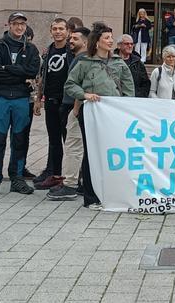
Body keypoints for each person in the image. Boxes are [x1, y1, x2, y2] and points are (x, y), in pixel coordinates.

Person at [63, 22, 136, 210]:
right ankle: (91, 197)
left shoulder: (119, 64)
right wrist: (84, 95)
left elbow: (129, 91)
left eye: (111, 38)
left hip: (114, 117)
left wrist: (125, 110)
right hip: (91, 115)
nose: (111, 41)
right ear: (97, 42)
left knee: (112, 154)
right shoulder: (84, 63)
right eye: (107, 38)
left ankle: (114, 192)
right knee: (91, 155)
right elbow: (70, 85)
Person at [0, 12, 41, 197]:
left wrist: (7, 68)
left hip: (21, 100)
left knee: (19, 140)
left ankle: (17, 178)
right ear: (8, 25)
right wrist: (20, 74)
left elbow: (32, 72)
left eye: (22, 24)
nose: (19, 27)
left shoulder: (31, 49)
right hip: (1, 98)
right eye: (16, 24)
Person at [46, 26, 90, 201]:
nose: (70, 41)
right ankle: (78, 182)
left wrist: (75, 109)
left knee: (74, 147)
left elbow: (82, 86)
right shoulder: (78, 58)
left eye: (75, 39)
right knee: (74, 146)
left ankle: (71, 185)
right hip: (69, 106)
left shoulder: (83, 60)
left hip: (74, 107)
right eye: (70, 38)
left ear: (85, 42)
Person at [32, 18, 73, 190]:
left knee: (70, 141)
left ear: (68, 31)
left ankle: (72, 178)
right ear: (51, 31)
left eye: (61, 29)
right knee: (54, 140)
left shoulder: (72, 51)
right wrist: (38, 98)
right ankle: (55, 175)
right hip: (50, 101)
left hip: (68, 103)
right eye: (55, 29)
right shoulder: (47, 52)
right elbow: (42, 77)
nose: (58, 32)